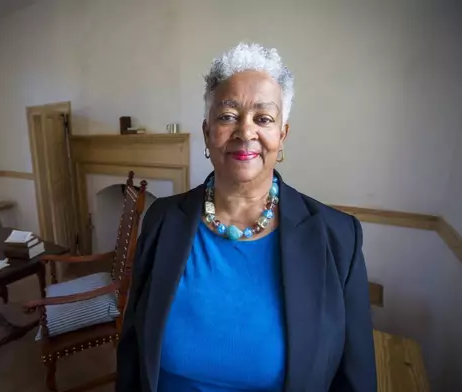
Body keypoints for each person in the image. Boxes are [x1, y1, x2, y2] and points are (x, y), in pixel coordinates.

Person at [116, 43, 376, 392]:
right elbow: (133, 349)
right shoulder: (162, 219)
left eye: (263, 118)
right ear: (208, 132)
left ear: (281, 136)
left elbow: (355, 379)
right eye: (227, 116)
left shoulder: (338, 237)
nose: (245, 132)